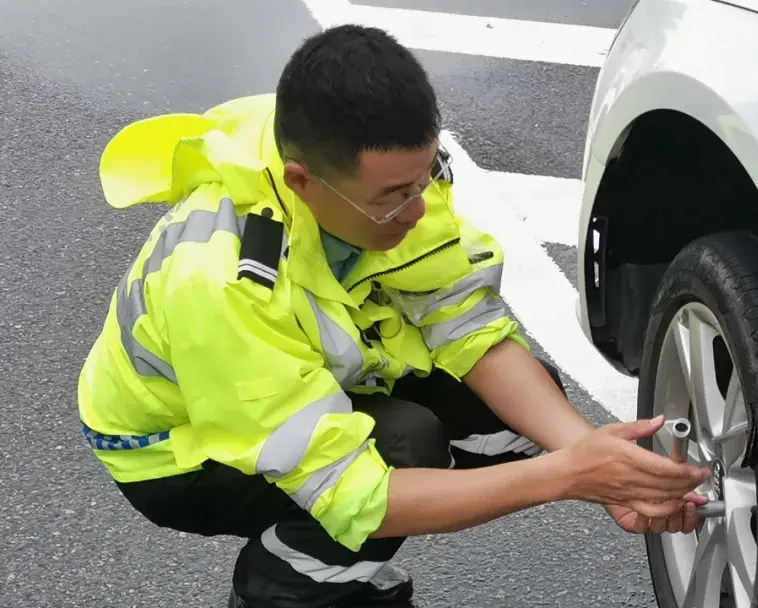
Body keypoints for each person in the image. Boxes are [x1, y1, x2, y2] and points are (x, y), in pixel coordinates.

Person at [76, 24, 711, 608]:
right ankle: (288, 585)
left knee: (516, 408)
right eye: (392, 198)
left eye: (423, 180)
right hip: (174, 451)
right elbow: (360, 498)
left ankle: (343, 557)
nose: (416, 210)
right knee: (405, 446)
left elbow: (468, 327)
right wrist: (563, 476)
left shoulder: (384, 175)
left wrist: (601, 464)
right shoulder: (222, 283)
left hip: (294, 364)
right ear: (302, 182)